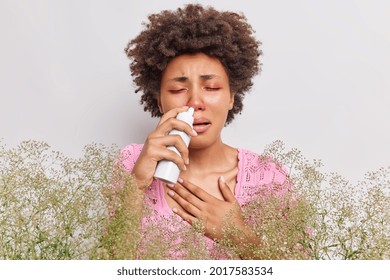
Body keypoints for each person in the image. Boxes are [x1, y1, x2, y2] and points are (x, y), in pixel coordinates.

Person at [117, 4, 291, 259]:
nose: (195, 102)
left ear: (232, 97)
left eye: (211, 87)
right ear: (158, 101)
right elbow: (109, 260)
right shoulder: (132, 163)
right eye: (177, 90)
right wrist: (137, 184)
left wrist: (242, 238)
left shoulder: (268, 177)